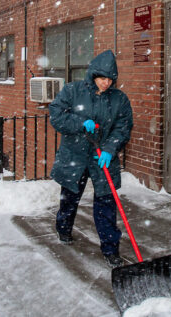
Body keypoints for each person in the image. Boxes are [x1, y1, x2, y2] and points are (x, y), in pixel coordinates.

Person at [49, 50, 134, 268]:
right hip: (75, 155)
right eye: (102, 78)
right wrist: (80, 123)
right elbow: (57, 115)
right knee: (69, 197)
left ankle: (110, 249)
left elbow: (123, 127)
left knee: (106, 204)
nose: (106, 83)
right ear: (93, 75)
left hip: (102, 158)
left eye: (110, 79)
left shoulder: (119, 99)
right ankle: (64, 228)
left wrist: (109, 148)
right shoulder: (73, 90)